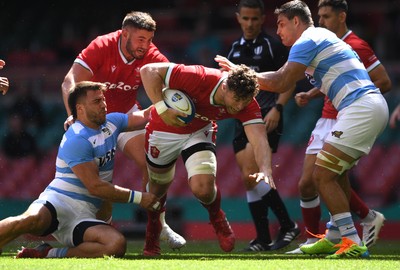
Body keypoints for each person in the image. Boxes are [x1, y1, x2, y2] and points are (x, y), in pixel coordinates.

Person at [216, 0, 389, 259]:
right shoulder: (320, 37)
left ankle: (352, 241)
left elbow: (282, 80)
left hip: (360, 108)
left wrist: (240, 74)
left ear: (297, 21)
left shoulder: (308, 38)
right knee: (333, 175)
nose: (278, 31)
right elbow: (284, 75)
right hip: (360, 107)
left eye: (282, 24)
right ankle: (334, 236)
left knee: (322, 175)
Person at [61, 11, 185, 249]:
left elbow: (176, 77)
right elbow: (70, 81)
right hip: (94, 120)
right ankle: (97, 230)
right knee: (99, 187)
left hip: (125, 117)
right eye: (140, 39)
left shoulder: (150, 53)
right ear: (124, 34)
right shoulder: (101, 45)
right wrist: (74, 116)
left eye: (149, 40)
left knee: (152, 162)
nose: (146, 45)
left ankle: (159, 225)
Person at [0, 81, 160, 258]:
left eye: (103, 99)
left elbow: (146, 115)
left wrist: (169, 103)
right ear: (80, 108)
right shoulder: (77, 138)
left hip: (84, 213)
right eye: (97, 101)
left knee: (116, 245)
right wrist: (140, 198)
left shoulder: (112, 122)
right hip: (59, 201)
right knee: (29, 221)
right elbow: (95, 187)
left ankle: (47, 253)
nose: (104, 105)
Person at [286, 0, 391, 254]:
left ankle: (354, 232)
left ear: (341, 16)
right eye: (319, 16)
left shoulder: (354, 45)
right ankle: (330, 234)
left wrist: (356, 101)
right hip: (335, 115)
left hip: (354, 112)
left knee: (324, 176)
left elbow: (382, 81)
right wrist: (313, 94)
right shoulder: (324, 44)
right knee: (314, 181)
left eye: (326, 16)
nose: (321, 21)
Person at [139, 62, 276, 256]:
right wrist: (162, 108)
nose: (239, 106)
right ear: (224, 86)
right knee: (157, 190)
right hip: (163, 129)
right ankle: (153, 234)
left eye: (244, 102)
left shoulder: (246, 103)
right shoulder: (199, 76)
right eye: (236, 99)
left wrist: (265, 168)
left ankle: (217, 217)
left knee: (202, 188)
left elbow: (259, 138)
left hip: (198, 131)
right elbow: (148, 70)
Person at [226, 0, 299, 251]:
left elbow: (289, 79)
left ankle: (287, 225)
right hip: (240, 119)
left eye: (254, 19)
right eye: (245, 18)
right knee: (249, 179)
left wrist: (278, 108)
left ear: (262, 19)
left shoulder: (272, 45)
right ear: (238, 18)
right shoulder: (234, 49)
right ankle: (264, 238)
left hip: (266, 115)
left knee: (251, 173)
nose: (250, 23)